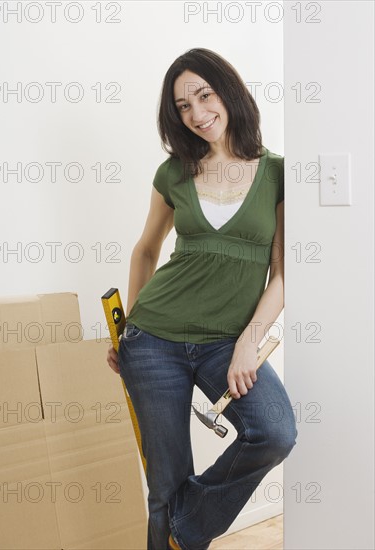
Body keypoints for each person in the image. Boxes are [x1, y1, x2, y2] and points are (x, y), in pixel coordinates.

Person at [106, 47, 298, 550]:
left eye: (204, 95)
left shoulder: (278, 173)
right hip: (154, 340)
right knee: (165, 481)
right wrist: (129, 328)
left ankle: (183, 526)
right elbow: (145, 251)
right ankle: (174, 520)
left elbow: (283, 273)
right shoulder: (174, 173)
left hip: (226, 344)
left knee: (274, 432)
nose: (196, 113)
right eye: (182, 106)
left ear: (228, 92)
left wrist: (248, 344)